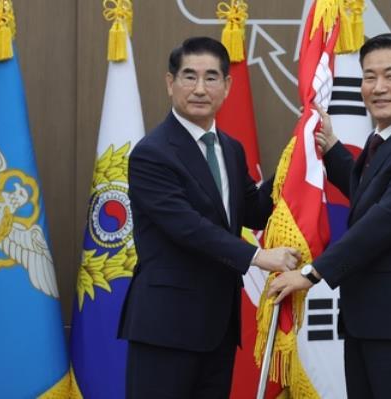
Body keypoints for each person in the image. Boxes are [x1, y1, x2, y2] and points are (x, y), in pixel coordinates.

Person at [268, 33, 391, 398]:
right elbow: (370, 193)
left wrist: (310, 274)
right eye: (369, 77)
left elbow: (383, 222)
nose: (378, 87)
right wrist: (333, 147)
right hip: (368, 322)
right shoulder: (387, 140)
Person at [118, 36, 300, 398]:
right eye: (189, 77)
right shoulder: (151, 153)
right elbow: (186, 227)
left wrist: (296, 157)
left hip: (217, 327)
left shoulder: (230, 149)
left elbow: (255, 210)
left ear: (227, 86)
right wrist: (258, 257)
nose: (200, 88)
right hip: (166, 328)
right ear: (171, 84)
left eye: (211, 78)